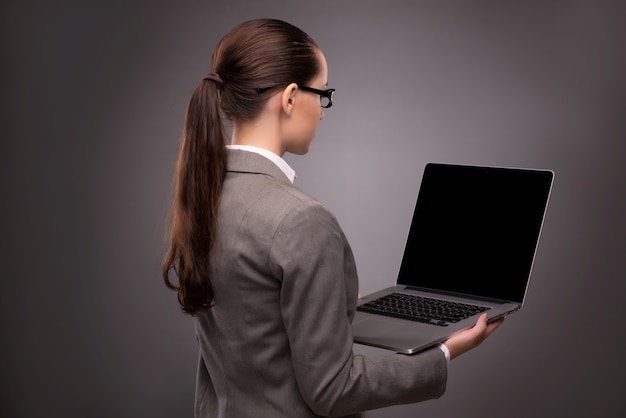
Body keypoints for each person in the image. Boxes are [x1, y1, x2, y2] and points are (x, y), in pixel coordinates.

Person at [163, 18, 503, 418]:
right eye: (322, 94)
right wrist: (444, 353)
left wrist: (332, 305)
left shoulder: (204, 197)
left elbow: (248, 325)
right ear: (290, 98)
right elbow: (334, 391)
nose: (323, 112)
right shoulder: (302, 220)